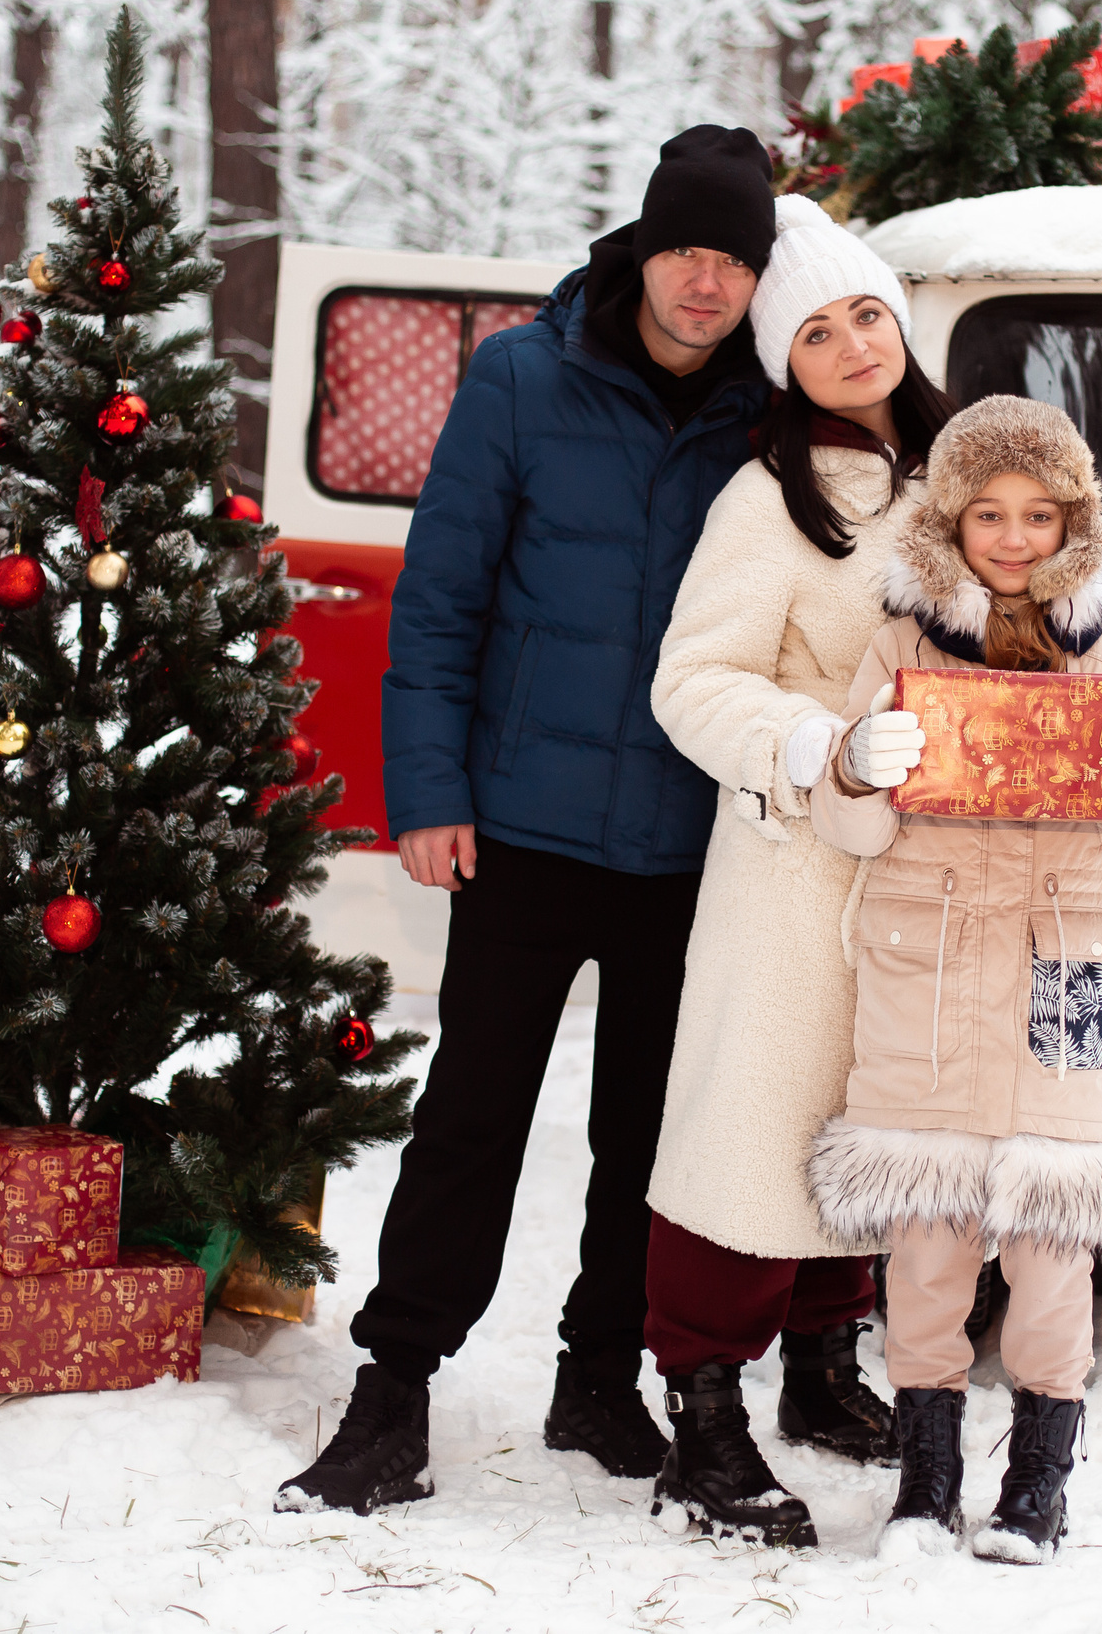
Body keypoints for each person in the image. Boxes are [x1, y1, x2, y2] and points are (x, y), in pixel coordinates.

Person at [276, 126, 778, 1516]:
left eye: (733, 260)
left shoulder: (767, 412)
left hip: (689, 843)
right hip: (522, 831)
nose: (704, 282)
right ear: (644, 247)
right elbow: (437, 603)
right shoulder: (520, 377)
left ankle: (598, 1375)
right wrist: (427, 796)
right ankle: (392, 1394)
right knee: (472, 1120)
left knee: (647, 1135)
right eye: (687, 249)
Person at [804, 395, 1102, 1563]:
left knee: (1051, 1244)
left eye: (1038, 513)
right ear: (950, 518)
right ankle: (924, 1483)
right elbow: (852, 828)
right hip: (922, 963)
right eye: (987, 511)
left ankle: (1038, 1484)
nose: (1013, 536)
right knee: (926, 1249)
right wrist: (857, 763)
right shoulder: (897, 642)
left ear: (1072, 521)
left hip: (1066, 962)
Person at [641, 196, 959, 1545]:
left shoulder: (966, 474)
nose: (851, 345)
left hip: (937, 876)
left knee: (866, 1123)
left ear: (901, 319)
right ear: (784, 362)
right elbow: (692, 681)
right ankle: (704, 1416)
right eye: (815, 330)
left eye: (865, 314)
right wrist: (821, 745)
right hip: (791, 873)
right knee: (750, 1131)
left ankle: (825, 1367)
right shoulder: (766, 500)